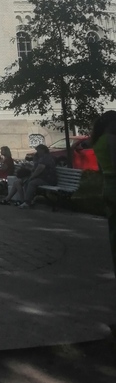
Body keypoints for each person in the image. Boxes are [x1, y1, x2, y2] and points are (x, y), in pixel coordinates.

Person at [90, 110, 116, 277]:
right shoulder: (112, 139)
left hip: (107, 186)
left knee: (113, 229)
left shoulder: (98, 141)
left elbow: (101, 168)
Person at [0, 143, 56, 207]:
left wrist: (32, 177)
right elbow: (35, 169)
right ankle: (9, 199)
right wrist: (28, 166)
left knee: (31, 182)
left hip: (47, 178)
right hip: (39, 177)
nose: (37, 152)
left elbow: (40, 169)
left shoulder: (46, 157)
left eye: (38, 150)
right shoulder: (40, 158)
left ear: (43, 150)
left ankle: (27, 202)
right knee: (17, 182)